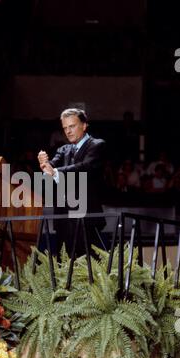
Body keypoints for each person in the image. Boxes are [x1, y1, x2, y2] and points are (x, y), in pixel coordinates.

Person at [37, 108, 106, 257]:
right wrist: (44, 165)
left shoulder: (97, 145)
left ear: (84, 125)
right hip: (63, 219)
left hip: (87, 218)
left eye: (72, 126)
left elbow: (85, 167)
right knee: (64, 269)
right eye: (65, 128)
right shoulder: (63, 149)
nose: (68, 131)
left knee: (88, 268)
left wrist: (54, 172)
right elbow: (50, 170)